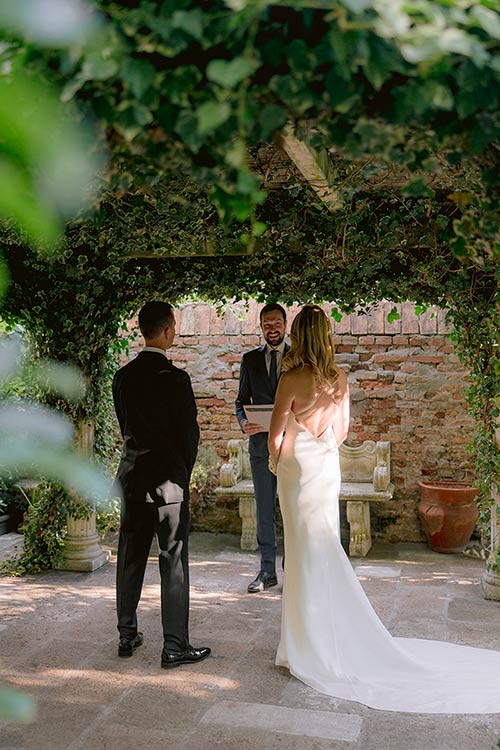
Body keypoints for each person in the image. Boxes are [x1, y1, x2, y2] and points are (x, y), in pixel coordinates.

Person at [268, 304, 500, 714]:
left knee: (299, 550)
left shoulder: (290, 379)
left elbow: (275, 434)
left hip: (295, 466)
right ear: (325, 335)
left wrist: (276, 462)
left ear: (298, 336)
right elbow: (341, 433)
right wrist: (318, 446)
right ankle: (322, 637)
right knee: (322, 546)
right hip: (324, 466)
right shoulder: (339, 379)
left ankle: (302, 647)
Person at [113, 301, 210, 669]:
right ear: (169, 330)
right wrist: (181, 475)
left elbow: (125, 429)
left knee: (130, 556)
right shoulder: (177, 379)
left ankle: (127, 634)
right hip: (169, 483)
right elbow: (190, 435)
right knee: (173, 561)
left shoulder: (122, 377)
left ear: (142, 330)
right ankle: (174, 646)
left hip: (133, 478)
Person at [236, 303, 289, 593]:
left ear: (285, 324)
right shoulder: (249, 360)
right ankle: (266, 572)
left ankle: (291, 572)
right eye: (267, 324)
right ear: (260, 327)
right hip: (259, 446)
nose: (272, 329)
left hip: (291, 447)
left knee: (291, 510)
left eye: (277, 323)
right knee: (264, 511)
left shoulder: (298, 357)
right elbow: (240, 401)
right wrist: (243, 422)